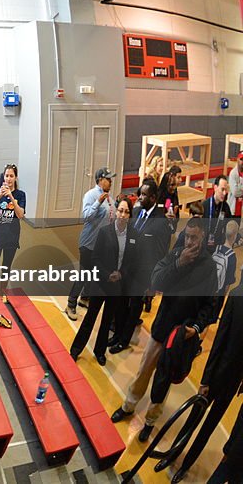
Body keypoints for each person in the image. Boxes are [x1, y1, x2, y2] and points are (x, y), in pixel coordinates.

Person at [111, 218, 222, 442]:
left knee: (164, 381)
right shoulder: (175, 254)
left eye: (194, 237)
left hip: (181, 338)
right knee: (143, 372)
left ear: (203, 237)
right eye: (187, 236)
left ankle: (150, 422)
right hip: (161, 329)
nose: (190, 241)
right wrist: (179, 263)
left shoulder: (209, 267)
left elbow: (210, 305)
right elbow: (156, 280)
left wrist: (197, 328)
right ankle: (128, 406)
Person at [171, 283, 243, 483]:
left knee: (208, 428)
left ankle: (185, 466)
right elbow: (220, 340)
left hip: (233, 383)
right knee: (193, 419)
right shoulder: (237, 296)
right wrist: (206, 379)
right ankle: (174, 453)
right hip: (216, 375)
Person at [110, 178, 173, 353]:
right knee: (121, 304)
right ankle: (116, 335)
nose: (139, 197)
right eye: (140, 193)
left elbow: (161, 255)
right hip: (126, 270)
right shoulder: (136, 212)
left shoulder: (161, 222)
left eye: (143, 195)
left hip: (143, 275)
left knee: (133, 309)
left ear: (153, 198)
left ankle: (124, 340)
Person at [70, 196, 133, 366]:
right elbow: (96, 258)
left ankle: (100, 351)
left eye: (127, 212)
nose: (123, 215)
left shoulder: (132, 236)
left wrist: (120, 274)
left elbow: (130, 260)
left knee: (106, 321)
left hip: (116, 286)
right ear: (116, 211)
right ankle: (75, 349)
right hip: (101, 283)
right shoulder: (105, 232)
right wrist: (107, 275)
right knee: (91, 317)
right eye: (120, 210)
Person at [66, 167, 116, 321]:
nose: (111, 181)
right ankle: (71, 304)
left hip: (102, 245)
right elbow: (86, 217)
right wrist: (97, 203)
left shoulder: (110, 198)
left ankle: (84, 298)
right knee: (83, 274)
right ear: (100, 180)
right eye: (108, 179)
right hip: (88, 243)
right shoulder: (91, 195)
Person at [0, 165, 26, 285]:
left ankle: (3, 293)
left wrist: (11, 197)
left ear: (15, 178)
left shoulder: (20, 195)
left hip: (11, 238)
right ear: (3, 177)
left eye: (11, 176)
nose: (9, 178)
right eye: (7, 176)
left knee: (6, 267)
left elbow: (20, 215)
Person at [229, 152, 243, 217]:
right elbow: (235, 192)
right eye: (241, 159)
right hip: (234, 209)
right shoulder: (233, 173)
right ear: (237, 159)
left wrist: (239, 188)